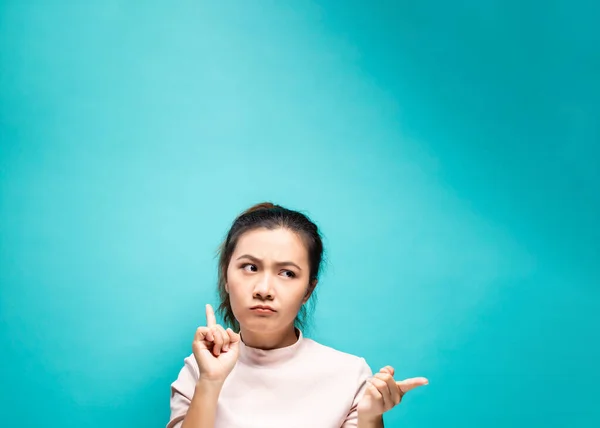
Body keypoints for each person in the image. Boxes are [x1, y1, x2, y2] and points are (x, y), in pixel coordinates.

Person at [167, 202, 428, 428]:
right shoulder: (198, 370)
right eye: (250, 267)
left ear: (307, 290)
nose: (264, 290)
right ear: (226, 276)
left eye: (287, 273)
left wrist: (370, 418)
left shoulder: (349, 374)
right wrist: (210, 382)